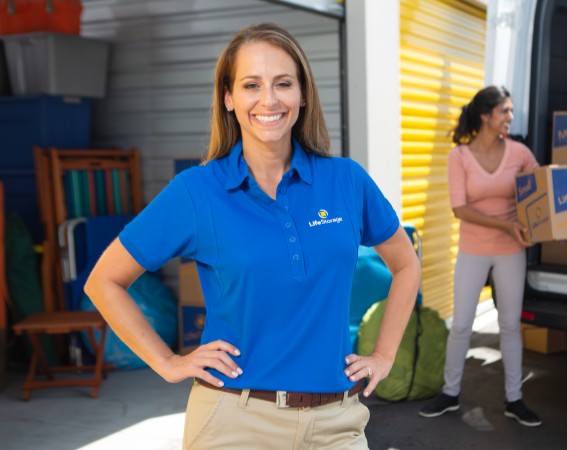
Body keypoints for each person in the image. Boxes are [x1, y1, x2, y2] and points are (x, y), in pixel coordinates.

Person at [85, 22, 421, 450]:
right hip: (235, 422)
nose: (269, 99)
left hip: (337, 423)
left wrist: (384, 355)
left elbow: (406, 264)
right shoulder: (197, 192)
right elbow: (104, 281)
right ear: (228, 98)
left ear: (303, 94)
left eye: (283, 83)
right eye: (251, 85)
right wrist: (168, 362)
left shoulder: (347, 181)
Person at [418, 86, 542, 426]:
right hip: (473, 250)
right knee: (461, 325)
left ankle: (514, 399)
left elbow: (542, 190)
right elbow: (459, 208)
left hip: (511, 251)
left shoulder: (519, 152)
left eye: (511, 110)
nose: (511, 117)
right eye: (505, 110)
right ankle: (450, 393)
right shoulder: (459, 156)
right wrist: (505, 225)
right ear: (486, 116)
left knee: (510, 325)